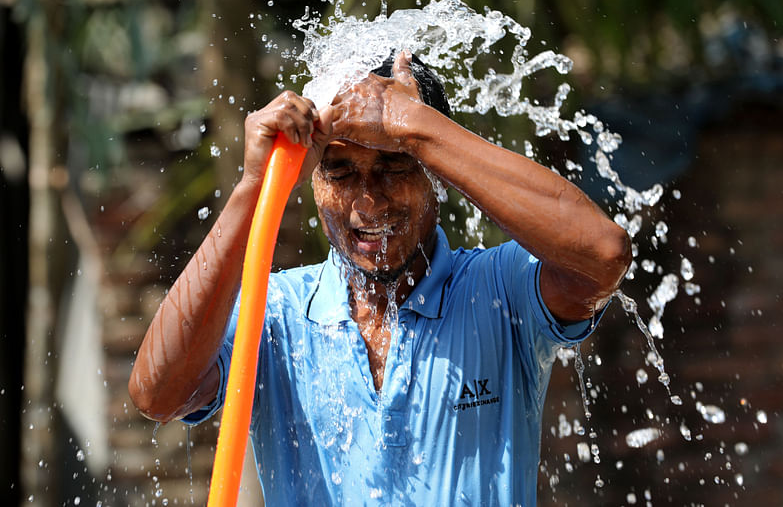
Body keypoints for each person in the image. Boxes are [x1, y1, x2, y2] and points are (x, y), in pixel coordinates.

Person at [129, 51, 631, 505]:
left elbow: (603, 254)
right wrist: (257, 185)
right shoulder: (276, 313)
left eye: (395, 166)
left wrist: (414, 126)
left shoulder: (499, 291)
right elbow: (157, 393)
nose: (368, 204)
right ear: (313, 181)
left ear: (437, 171)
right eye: (341, 172)